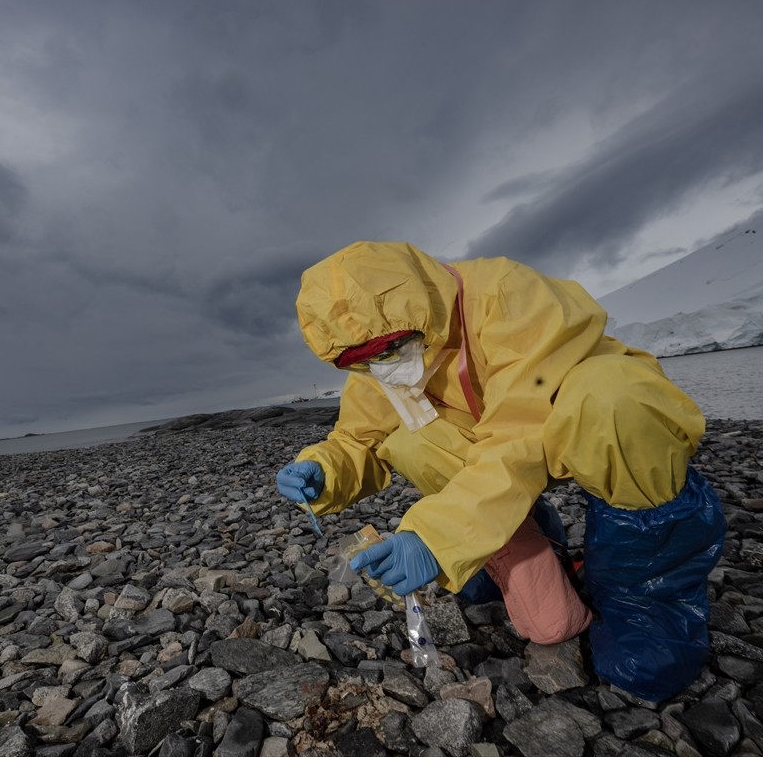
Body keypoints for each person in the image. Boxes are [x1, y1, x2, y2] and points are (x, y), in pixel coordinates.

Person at [275, 241, 725, 702]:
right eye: (360, 360)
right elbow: (359, 438)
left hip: (579, 429)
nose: (380, 366)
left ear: (419, 309)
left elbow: (520, 434)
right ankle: (524, 541)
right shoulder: (382, 360)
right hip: (501, 457)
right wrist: (323, 469)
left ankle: (647, 597)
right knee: (408, 439)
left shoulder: (506, 293)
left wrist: (438, 538)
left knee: (613, 398)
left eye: (388, 348)